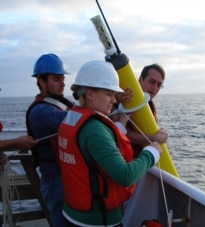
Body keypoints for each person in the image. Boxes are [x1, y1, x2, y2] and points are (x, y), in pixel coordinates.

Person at [58, 60, 162, 227]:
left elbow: (90, 149)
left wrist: (122, 121)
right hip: (97, 221)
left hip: (72, 215)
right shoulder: (95, 129)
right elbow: (125, 176)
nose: (114, 100)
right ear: (90, 93)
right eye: (109, 94)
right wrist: (151, 153)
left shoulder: (71, 118)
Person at [26, 53, 73, 227]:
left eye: (62, 78)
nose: (62, 83)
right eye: (56, 79)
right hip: (55, 181)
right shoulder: (41, 111)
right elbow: (74, 121)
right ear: (41, 81)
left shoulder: (56, 104)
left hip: (65, 177)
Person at [115, 64, 168, 157]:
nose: (155, 87)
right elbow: (119, 132)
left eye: (159, 85)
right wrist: (155, 138)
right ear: (140, 79)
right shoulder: (124, 99)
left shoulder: (150, 105)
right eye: (152, 82)